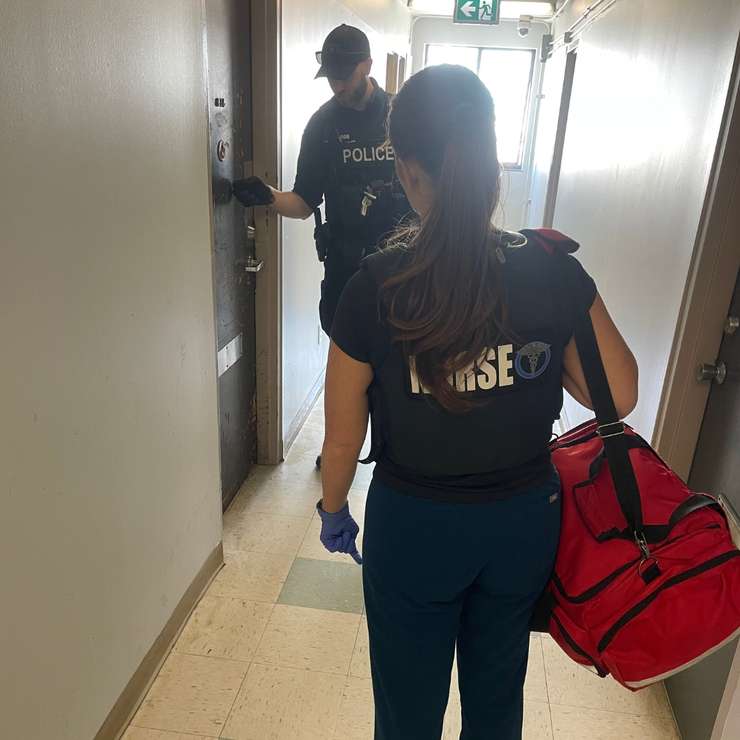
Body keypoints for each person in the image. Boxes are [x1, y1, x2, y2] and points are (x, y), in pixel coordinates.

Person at [315, 65, 638, 739]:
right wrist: (561, 300)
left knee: (407, 709)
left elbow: (341, 439)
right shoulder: (551, 269)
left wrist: (334, 507)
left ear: (407, 171)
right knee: (496, 700)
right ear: (492, 163)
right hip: (521, 525)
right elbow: (619, 393)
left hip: (416, 529)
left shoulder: (373, 286)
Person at [232, 24, 410, 335]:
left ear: (366, 65)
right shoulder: (322, 126)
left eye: (345, 77)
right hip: (346, 269)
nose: (337, 87)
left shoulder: (403, 116)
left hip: (403, 269)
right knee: (347, 362)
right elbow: (303, 202)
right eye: (331, 78)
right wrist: (268, 195)